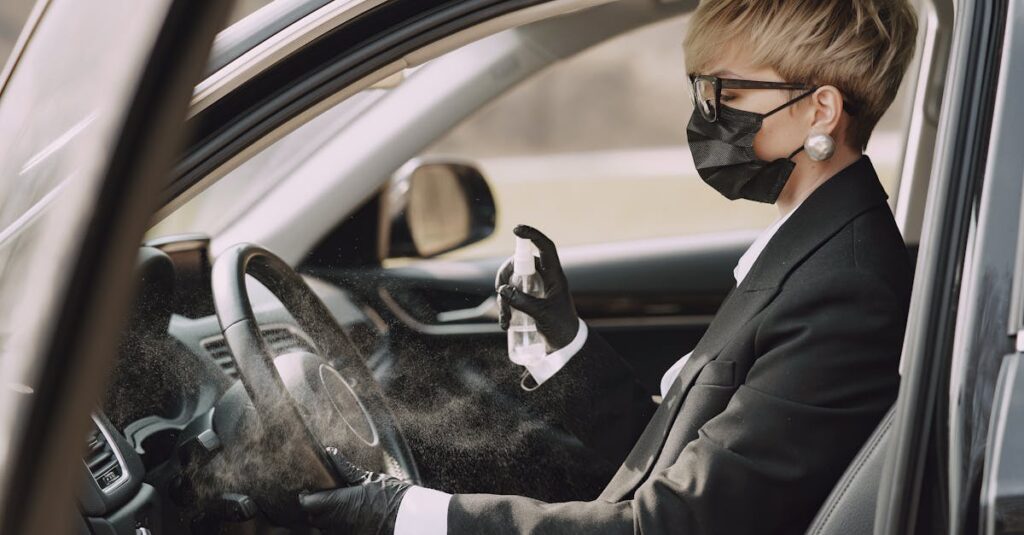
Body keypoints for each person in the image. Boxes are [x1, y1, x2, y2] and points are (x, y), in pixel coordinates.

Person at [298, 0, 919, 532]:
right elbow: (680, 456)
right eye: (700, 89)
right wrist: (562, 342)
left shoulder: (845, 287)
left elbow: (676, 523)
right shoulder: (813, 249)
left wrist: (409, 516)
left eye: (727, 92)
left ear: (821, 110)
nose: (705, 115)